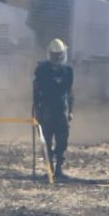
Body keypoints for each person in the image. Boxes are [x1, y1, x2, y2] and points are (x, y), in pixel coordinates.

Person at [33, 38, 74, 180]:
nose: (57, 57)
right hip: (47, 110)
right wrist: (36, 110)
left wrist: (71, 110)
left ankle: (58, 169)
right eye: (54, 55)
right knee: (46, 141)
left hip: (61, 110)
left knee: (62, 141)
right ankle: (49, 169)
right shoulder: (42, 69)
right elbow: (36, 91)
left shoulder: (68, 70)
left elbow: (70, 92)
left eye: (59, 55)